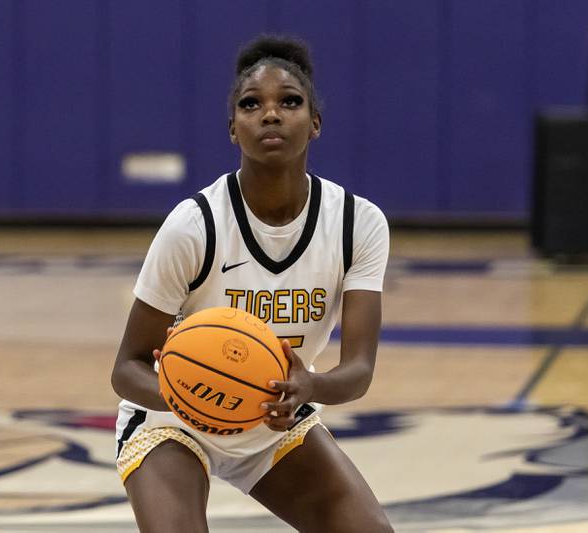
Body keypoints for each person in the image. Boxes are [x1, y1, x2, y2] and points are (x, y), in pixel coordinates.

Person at [111, 34, 393, 533]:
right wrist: (189, 396)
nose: (270, 114)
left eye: (289, 101)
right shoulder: (193, 224)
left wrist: (311, 384)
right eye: (251, 104)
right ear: (232, 129)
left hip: (273, 423)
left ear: (315, 124)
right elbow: (127, 368)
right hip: (173, 423)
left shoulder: (357, 223)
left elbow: (359, 369)